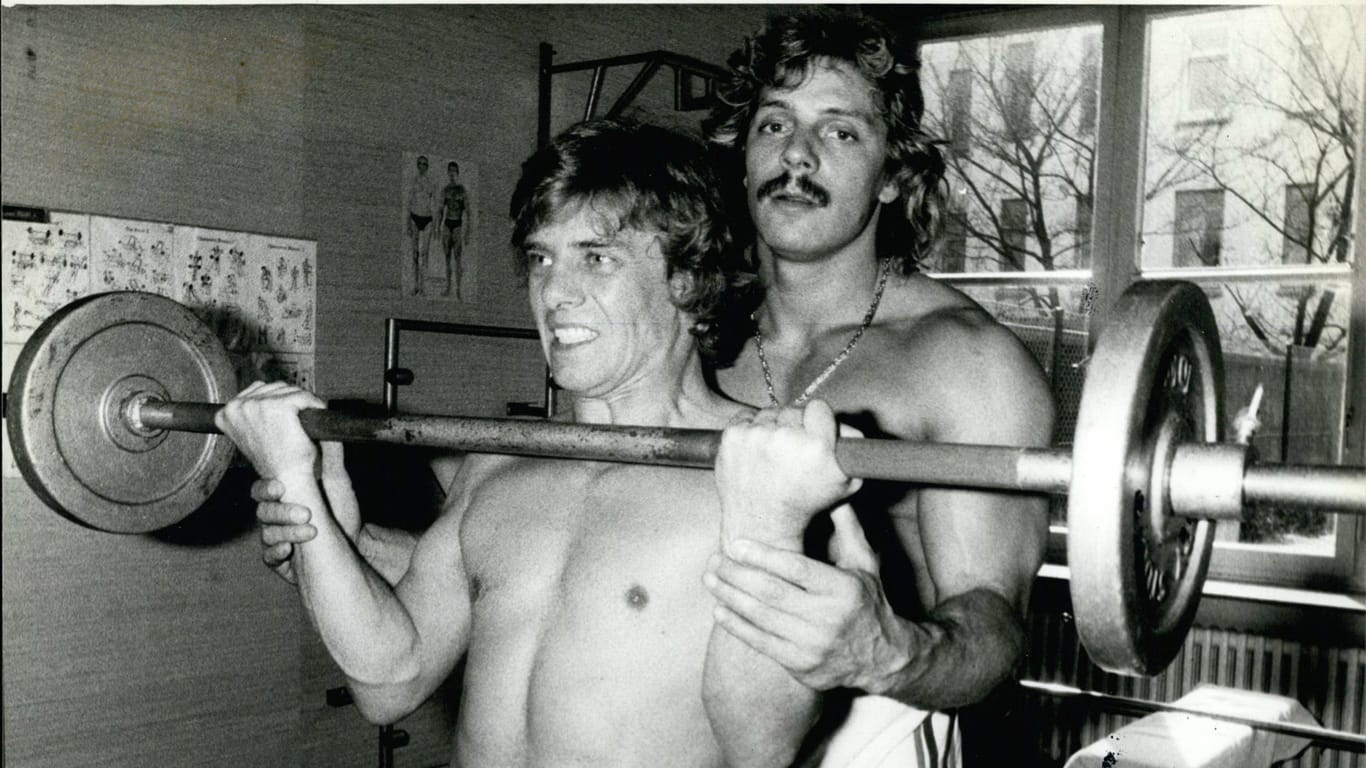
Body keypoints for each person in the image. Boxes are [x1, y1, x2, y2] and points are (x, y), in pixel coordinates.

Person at [221, 118, 860, 767]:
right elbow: (391, 678)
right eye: (540, 258)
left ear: (686, 280)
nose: (554, 292)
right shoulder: (497, 462)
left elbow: (765, 750)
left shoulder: (762, 474)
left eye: (595, 257)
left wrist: (769, 525)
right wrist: (309, 495)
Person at [699, 8, 1055, 765]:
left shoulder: (964, 359)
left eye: (840, 132)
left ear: (894, 174)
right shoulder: (698, 338)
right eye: (773, 125)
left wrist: (884, 652)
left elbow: (995, 628)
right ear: (741, 155)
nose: (796, 154)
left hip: (874, 735)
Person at [406, 154, 437, 295]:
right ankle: (415, 285)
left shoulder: (431, 182)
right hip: (414, 216)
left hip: (427, 218)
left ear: (427, 166)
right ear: (417, 165)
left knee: (425, 253)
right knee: (414, 253)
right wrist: (407, 221)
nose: (422, 166)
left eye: (425, 164)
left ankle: (423, 286)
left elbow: (434, 204)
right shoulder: (413, 181)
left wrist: (436, 224)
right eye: (420, 164)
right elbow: (409, 201)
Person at [439, 161, 469, 298]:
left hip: (457, 224)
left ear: (457, 173)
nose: (452, 173)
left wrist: (468, 232)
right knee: (447, 258)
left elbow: (468, 212)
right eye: (449, 170)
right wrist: (437, 228)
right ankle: (448, 287)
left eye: (454, 171)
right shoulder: (445, 190)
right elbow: (440, 210)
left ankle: (458, 289)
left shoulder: (462, 190)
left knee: (457, 258)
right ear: (447, 172)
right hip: (447, 224)